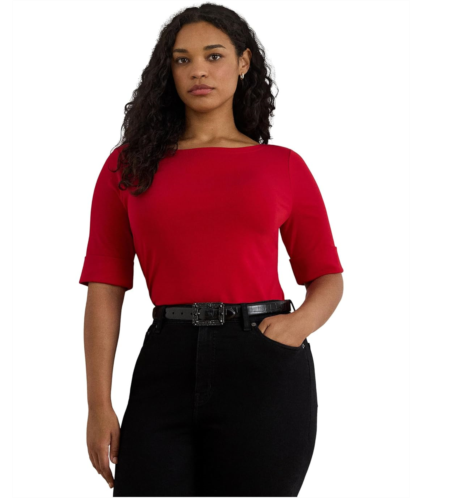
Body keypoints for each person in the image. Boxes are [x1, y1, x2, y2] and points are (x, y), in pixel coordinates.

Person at [79, 4, 344, 497]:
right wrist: (99, 405)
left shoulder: (281, 166)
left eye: (213, 55)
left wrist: (295, 328)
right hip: (166, 360)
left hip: (263, 362)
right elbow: (105, 287)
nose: (198, 70)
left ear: (243, 62)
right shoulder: (128, 167)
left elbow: (326, 276)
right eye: (182, 60)